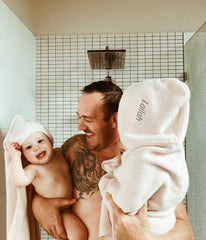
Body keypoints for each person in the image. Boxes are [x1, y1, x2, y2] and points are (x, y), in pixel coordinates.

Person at [32, 79, 194, 240]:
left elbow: (186, 232)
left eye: (88, 119)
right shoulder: (74, 148)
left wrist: (144, 237)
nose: (80, 126)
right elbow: (40, 172)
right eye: (79, 117)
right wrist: (38, 204)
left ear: (115, 120)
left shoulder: (145, 159)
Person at [99, 78, 190, 239]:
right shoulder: (170, 153)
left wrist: (107, 183)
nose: (81, 125)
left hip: (149, 226)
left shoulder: (145, 158)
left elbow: (125, 203)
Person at [4, 114, 87, 240]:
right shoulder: (34, 169)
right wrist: (14, 156)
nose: (36, 147)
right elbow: (19, 181)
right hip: (61, 212)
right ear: (24, 155)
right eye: (28, 147)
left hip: (72, 205)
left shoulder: (59, 154)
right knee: (78, 234)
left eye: (40, 141)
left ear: (50, 141)